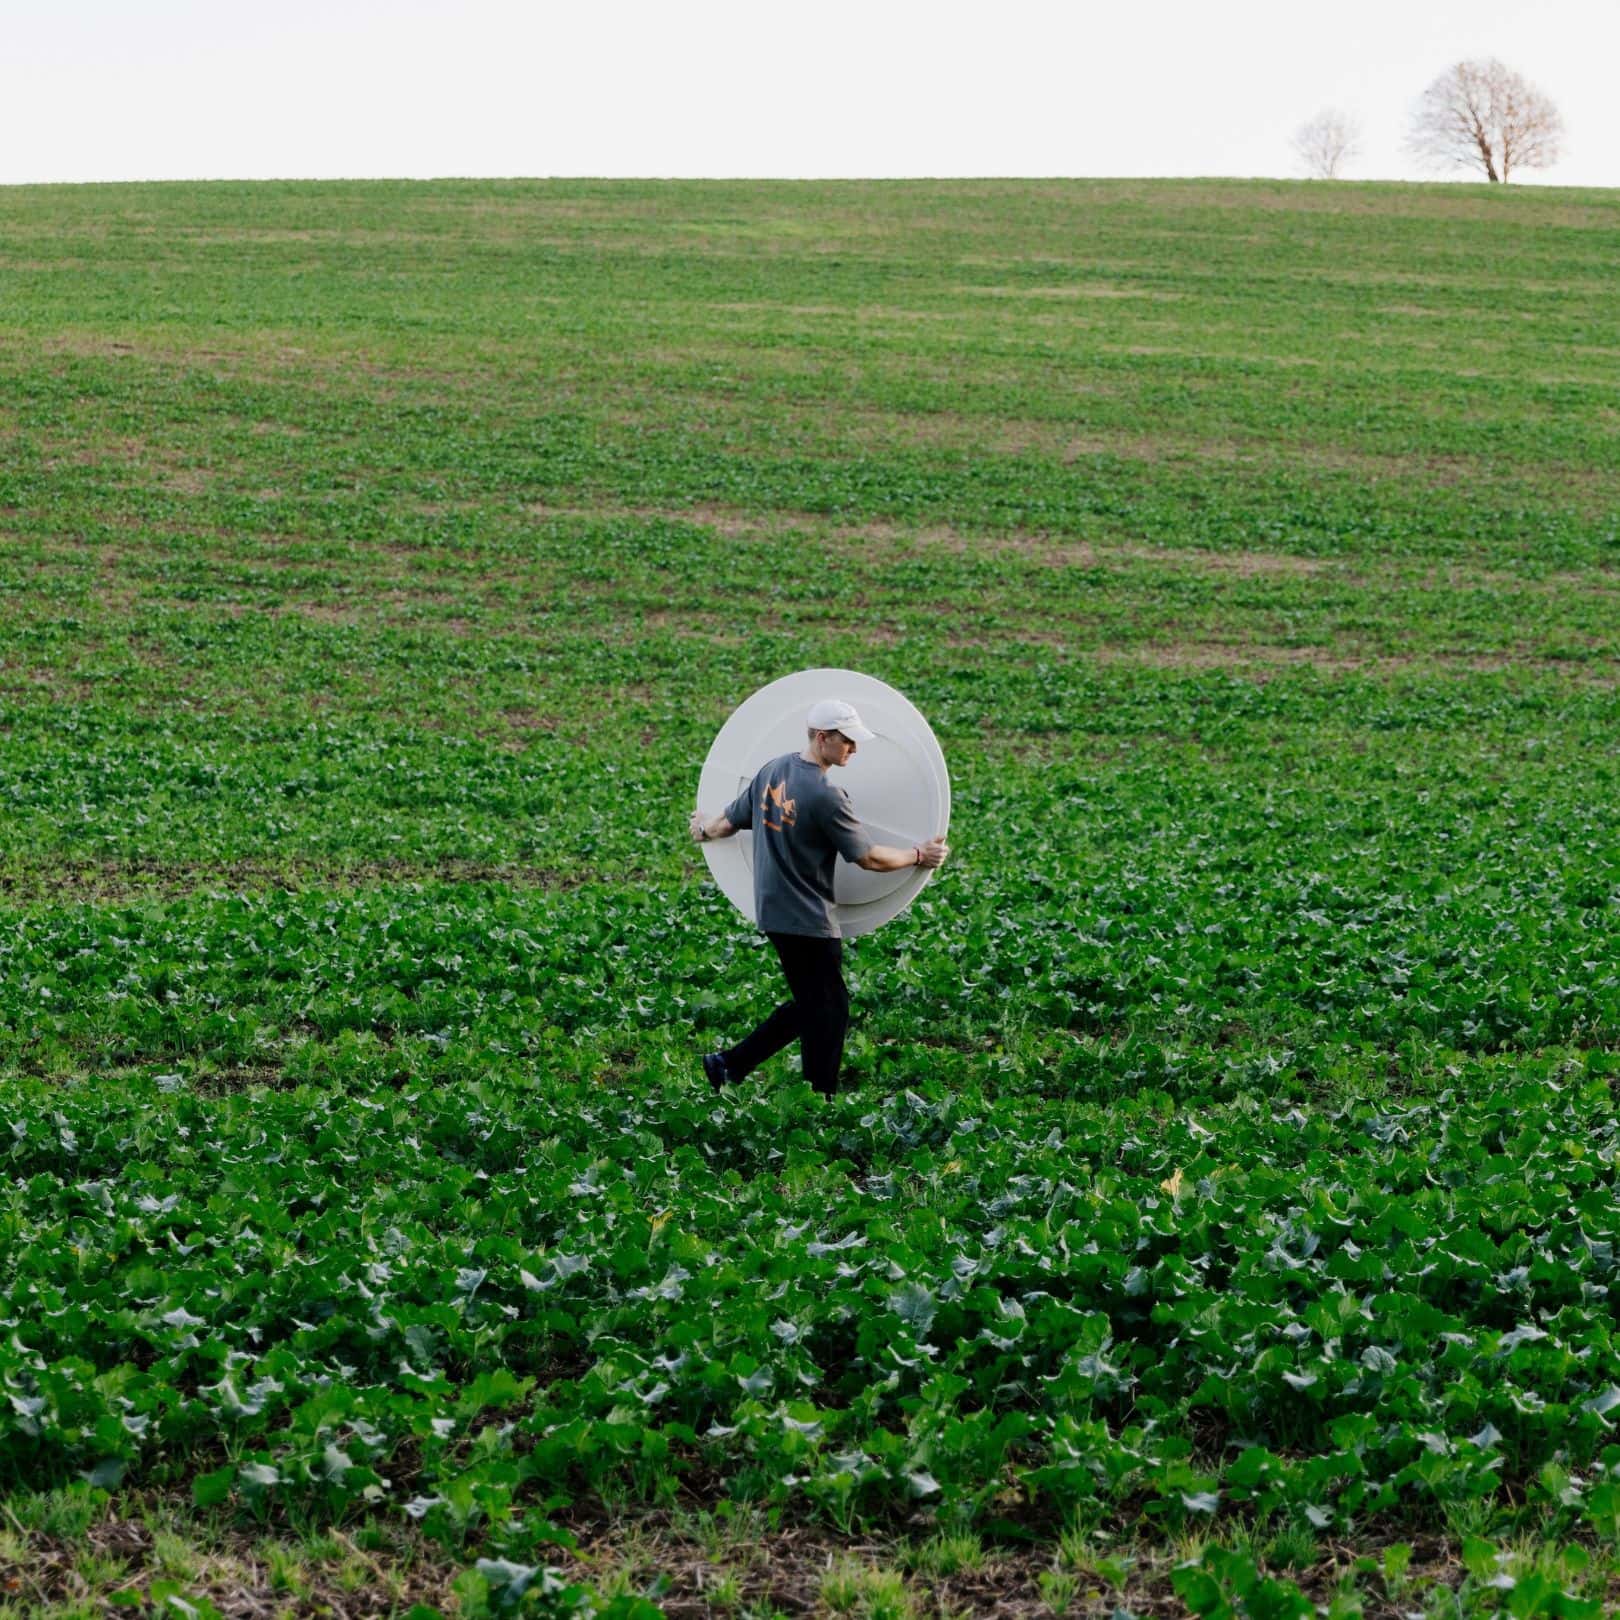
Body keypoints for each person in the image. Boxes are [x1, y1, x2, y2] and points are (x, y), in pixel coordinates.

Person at [688, 697, 949, 1098]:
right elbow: (869, 858)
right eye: (847, 741)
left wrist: (703, 830)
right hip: (808, 917)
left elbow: (727, 821)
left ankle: (742, 1069)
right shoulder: (826, 795)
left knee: (818, 1004)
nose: (854, 749)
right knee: (828, 1007)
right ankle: (803, 1091)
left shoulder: (771, 770)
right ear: (823, 737)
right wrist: (919, 855)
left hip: (774, 912)